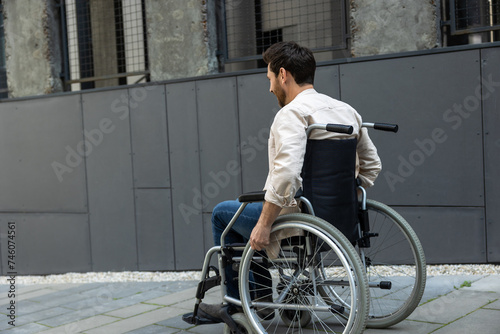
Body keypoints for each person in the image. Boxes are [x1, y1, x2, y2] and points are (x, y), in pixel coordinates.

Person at [198, 41, 381, 321]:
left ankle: (241, 301)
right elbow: (372, 166)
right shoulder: (346, 111)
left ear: (283, 75)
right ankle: (262, 295)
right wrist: (346, 198)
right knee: (245, 211)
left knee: (224, 213)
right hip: (338, 216)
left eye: (270, 78)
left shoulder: (291, 114)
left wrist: (264, 224)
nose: (270, 88)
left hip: (298, 217)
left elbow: (285, 175)